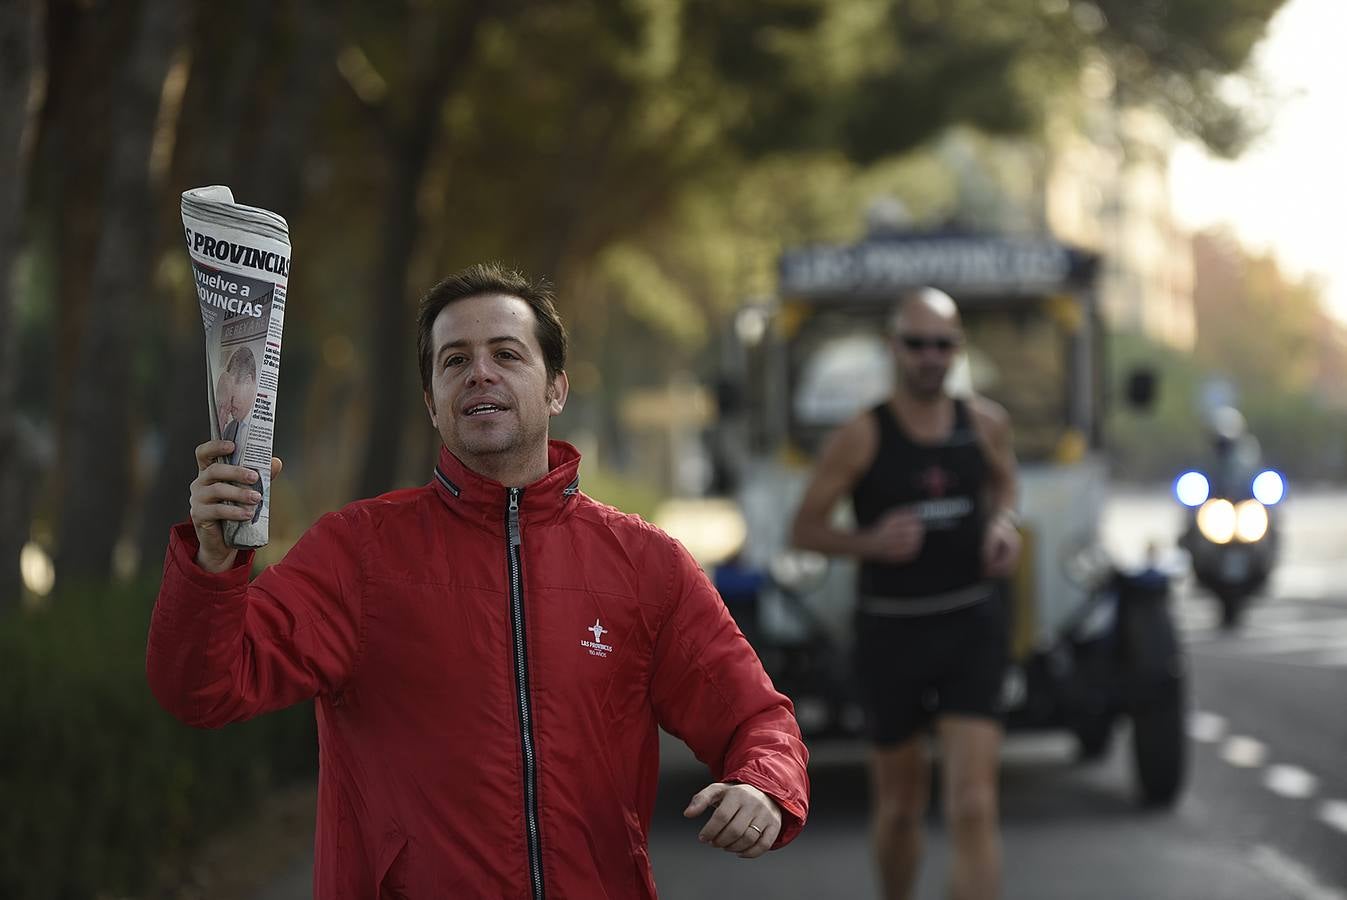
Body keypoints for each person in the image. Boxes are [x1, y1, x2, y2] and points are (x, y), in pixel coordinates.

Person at [147, 263, 809, 899]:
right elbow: (202, 690)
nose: (479, 373)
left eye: (506, 354)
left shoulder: (644, 563)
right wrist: (212, 564)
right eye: (454, 360)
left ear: (556, 388)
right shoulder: (356, 554)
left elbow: (755, 719)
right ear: (432, 403)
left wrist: (763, 787)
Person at [790, 287, 1020, 900]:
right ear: (894, 348)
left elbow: (1004, 488)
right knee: (899, 805)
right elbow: (804, 528)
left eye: (942, 344)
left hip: (974, 624)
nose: (929, 356)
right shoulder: (862, 436)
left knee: (973, 803)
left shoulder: (986, 424)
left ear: (957, 350)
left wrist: (1001, 526)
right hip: (892, 632)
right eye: (916, 344)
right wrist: (870, 542)